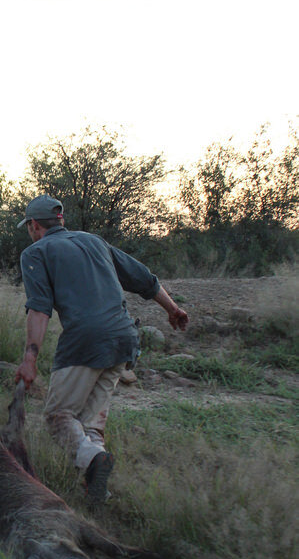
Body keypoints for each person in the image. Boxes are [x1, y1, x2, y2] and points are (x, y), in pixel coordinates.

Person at [14, 194, 188, 502]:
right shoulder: (95, 242)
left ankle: (93, 461)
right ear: (60, 221)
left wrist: (30, 358)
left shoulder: (35, 252)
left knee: (58, 416)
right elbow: (144, 280)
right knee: (91, 423)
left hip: (85, 339)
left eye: (29, 226)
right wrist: (172, 310)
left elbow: (39, 309)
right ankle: (98, 489)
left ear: (34, 225)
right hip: (124, 338)